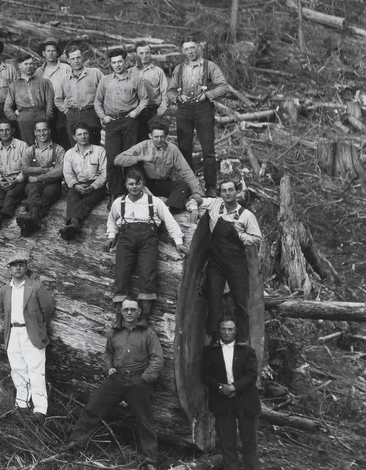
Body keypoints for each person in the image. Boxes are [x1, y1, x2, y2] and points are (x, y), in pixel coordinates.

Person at [63, 301, 164, 468]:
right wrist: (109, 367)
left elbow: (157, 359)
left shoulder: (148, 333)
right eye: (126, 310)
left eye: (133, 310)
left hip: (138, 381)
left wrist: (144, 379)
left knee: (145, 420)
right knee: (92, 409)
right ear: (121, 312)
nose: (129, 313)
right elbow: (109, 353)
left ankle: (150, 460)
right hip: (116, 379)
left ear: (139, 312)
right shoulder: (115, 333)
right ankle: (73, 446)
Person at [105, 170, 185, 317]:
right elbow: (111, 220)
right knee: (121, 274)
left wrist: (178, 241)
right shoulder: (119, 202)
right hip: (125, 240)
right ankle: (119, 317)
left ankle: (144, 317)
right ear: (126, 185)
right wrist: (111, 236)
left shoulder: (154, 201)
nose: (134, 187)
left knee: (148, 275)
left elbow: (169, 221)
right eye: (131, 184)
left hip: (148, 242)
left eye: (137, 183)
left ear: (142, 184)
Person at [201, 319, 263, 470]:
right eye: (223, 329)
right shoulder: (210, 352)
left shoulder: (247, 350)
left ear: (236, 331)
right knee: (227, 443)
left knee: (249, 442)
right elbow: (205, 376)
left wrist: (235, 387)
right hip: (222, 401)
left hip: (245, 400)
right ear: (219, 331)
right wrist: (221, 388)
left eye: (230, 329)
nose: (227, 332)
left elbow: (251, 375)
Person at [200, 178, 262, 343]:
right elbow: (196, 200)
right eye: (224, 191)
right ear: (220, 193)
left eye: (230, 190)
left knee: (241, 301)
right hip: (216, 262)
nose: (227, 193)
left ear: (237, 192)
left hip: (236, 263)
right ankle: (213, 338)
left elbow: (257, 239)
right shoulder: (214, 205)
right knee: (213, 299)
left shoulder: (246, 216)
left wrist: (239, 235)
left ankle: (242, 339)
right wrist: (192, 209)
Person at [167, 38, 232, 194]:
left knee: (208, 150)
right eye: (186, 49)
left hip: (203, 110)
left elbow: (224, 87)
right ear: (183, 51)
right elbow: (170, 91)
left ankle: (210, 187)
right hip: (183, 111)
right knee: (184, 149)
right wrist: (177, 97)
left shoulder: (209, 66)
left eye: (192, 48)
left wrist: (207, 95)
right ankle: (189, 186)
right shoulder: (179, 68)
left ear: (198, 48)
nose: (190, 51)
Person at [0, 252, 56, 419]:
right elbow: (2, 312)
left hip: (32, 332)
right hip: (12, 332)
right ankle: (22, 403)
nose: (18, 267)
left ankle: (40, 409)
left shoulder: (36, 287)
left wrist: (37, 326)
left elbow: (48, 310)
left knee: (36, 370)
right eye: (14, 265)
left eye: (21, 264)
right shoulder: (4, 290)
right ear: (8, 269)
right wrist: (11, 326)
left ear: (26, 267)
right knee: (17, 369)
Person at [113, 119, 205, 213]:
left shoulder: (172, 149)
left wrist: (195, 192)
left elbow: (186, 171)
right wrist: (142, 158)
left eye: (162, 137)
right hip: (145, 184)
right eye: (156, 137)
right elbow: (118, 160)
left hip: (163, 183)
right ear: (150, 136)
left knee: (182, 185)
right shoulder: (143, 146)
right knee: (132, 167)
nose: (159, 140)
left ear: (166, 137)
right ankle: (152, 201)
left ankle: (168, 209)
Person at [95, 47, 150, 198]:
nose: (117, 65)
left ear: (125, 62)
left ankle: (134, 193)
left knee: (130, 158)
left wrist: (135, 112)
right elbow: (97, 101)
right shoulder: (105, 81)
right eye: (114, 62)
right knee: (113, 159)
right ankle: (116, 194)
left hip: (130, 122)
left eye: (120, 61)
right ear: (110, 64)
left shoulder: (135, 79)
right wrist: (103, 117)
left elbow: (144, 99)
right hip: (112, 122)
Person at [16, 121, 65, 237]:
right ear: (34, 132)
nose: (42, 133)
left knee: (48, 193)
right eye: (39, 131)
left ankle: (32, 219)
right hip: (34, 184)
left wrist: (38, 177)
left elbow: (59, 171)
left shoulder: (59, 150)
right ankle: (35, 221)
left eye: (44, 130)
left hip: (52, 183)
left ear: (49, 131)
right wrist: (45, 169)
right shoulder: (29, 150)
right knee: (32, 192)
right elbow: (25, 170)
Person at [59, 124, 108, 241]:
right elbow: (68, 174)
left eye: (85, 133)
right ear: (74, 137)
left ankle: (74, 223)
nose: (83, 137)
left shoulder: (99, 151)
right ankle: (74, 225)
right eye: (79, 134)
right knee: (72, 197)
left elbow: (104, 173)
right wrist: (76, 185)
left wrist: (93, 186)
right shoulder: (69, 154)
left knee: (87, 201)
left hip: (96, 185)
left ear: (89, 135)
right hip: (78, 184)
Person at [55, 45, 103, 148]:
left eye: (78, 57)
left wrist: (101, 112)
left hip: (91, 114)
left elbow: (106, 92)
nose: (76, 61)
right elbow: (58, 99)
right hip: (73, 115)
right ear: (68, 60)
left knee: (93, 145)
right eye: (72, 58)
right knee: (75, 147)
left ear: (82, 58)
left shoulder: (95, 73)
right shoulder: (65, 79)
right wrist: (67, 111)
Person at [5, 56, 55, 146]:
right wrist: (17, 119)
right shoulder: (14, 85)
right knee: (27, 144)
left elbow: (50, 102)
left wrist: (47, 116)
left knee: (45, 141)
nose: (29, 66)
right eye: (26, 64)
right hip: (24, 117)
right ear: (19, 65)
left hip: (41, 114)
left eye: (31, 64)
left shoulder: (44, 82)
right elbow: (7, 107)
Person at [36, 39, 70, 147]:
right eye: (48, 51)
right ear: (43, 53)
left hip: (62, 107)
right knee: (50, 135)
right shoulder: (39, 71)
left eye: (53, 51)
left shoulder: (66, 68)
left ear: (57, 53)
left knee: (65, 134)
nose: (51, 53)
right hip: (47, 108)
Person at [133, 42, 168, 141]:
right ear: (136, 54)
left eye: (147, 53)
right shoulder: (130, 72)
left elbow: (166, 94)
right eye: (141, 53)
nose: (144, 56)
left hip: (153, 112)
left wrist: (159, 113)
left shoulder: (158, 71)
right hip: (136, 113)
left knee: (155, 143)